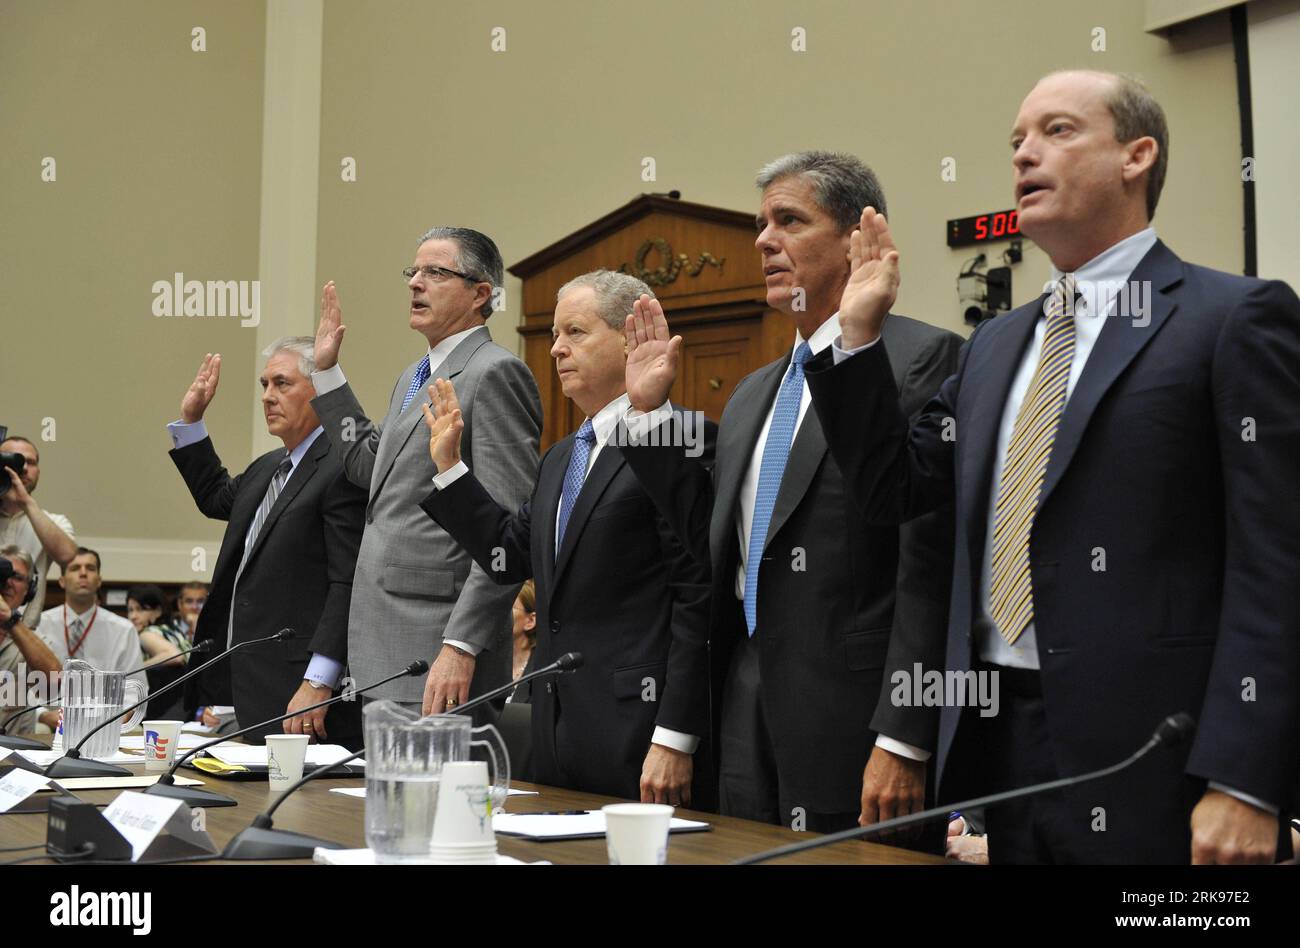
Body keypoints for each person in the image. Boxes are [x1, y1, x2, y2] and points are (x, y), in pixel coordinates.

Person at [806, 70, 1300, 863]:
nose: (1024, 155)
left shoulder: (1233, 319)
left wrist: (1246, 779)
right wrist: (856, 338)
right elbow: (893, 487)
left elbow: (1278, 566)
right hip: (1001, 751)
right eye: (1015, 142)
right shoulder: (997, 345)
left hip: (1158, 761)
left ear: (1138, 156)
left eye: (1057, 131)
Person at [620, 152, 961, 833]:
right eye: (760, 224)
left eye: (789, 220)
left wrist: (903, 734)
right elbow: (712, 545)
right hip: (744, 705)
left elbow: (930, 563)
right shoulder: (753, 393)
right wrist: (651, 418)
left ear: (855, 238)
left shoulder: (924, 358)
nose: (764, 240)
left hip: (857, 716)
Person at [420, 271, 712, 803]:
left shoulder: (680, 439)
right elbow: (508, 558)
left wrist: (675, 736)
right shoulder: (560, 457)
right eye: (554, 335)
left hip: (641, 730)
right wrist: (451, 470)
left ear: (631, 338)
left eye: (575, 332)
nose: (556, 349)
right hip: (556, 725)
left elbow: (696, 594)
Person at [311, 227, 541, 720]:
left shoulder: (494, 372)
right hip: (386, 645)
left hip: (443, 650)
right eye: (412, 272)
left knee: (438, 797)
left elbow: (503, 535)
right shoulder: (414, 375)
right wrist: (328, 374)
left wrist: (462, 644)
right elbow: (370, 469)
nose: (416, 283)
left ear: (482, 294)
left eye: (435, 272)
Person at [168, 338, 367, 746]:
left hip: (303, 687)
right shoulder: (269, 466)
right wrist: (191, 420)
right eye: (264, 385)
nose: (268, 397)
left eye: (282, 384)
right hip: (247, 682)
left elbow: (348, 582)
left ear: (320, 391)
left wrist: (320, 680)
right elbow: (215, 497)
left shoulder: (341, 467)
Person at [34, 548, 143, 729]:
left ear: (99, 581)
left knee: (135, 730)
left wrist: (121, 715)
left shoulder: (123, 629)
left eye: (90, 568)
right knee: (38, 727)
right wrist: (43, 715)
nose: (83, 573)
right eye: (75, 568)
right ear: (62, 581)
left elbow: (136, 687)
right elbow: (20, 682)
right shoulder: (38, 625)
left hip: (104, 720)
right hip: (53, 718)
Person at [1, 436, 76, 627]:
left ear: (39, 472)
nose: (24, 468)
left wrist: (26, 503)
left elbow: (68, 557)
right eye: (15, 460)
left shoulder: (53, 522)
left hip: (23, 637)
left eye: (31, 462)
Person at [0, 546, 61, 734]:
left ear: (29, 590)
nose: (8, 582)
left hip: (10, 753)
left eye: (17, 577)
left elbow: (52, 684)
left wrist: (9, 618)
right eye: (3, 574)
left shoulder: (33, 642)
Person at [125, 584, 192, 719]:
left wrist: (136, 668)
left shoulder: (147, 633)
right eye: (130, 610)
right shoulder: (175, 631)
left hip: (170, 708)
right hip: (188, 704)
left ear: (158, 612)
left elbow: (174, 656)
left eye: (140, 609)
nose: (133, 616)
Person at [506, 581, 537, 704]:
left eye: (510, 608)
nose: (501, 614)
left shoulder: (544, 667)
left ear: (530, 621)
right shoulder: (485, 663)